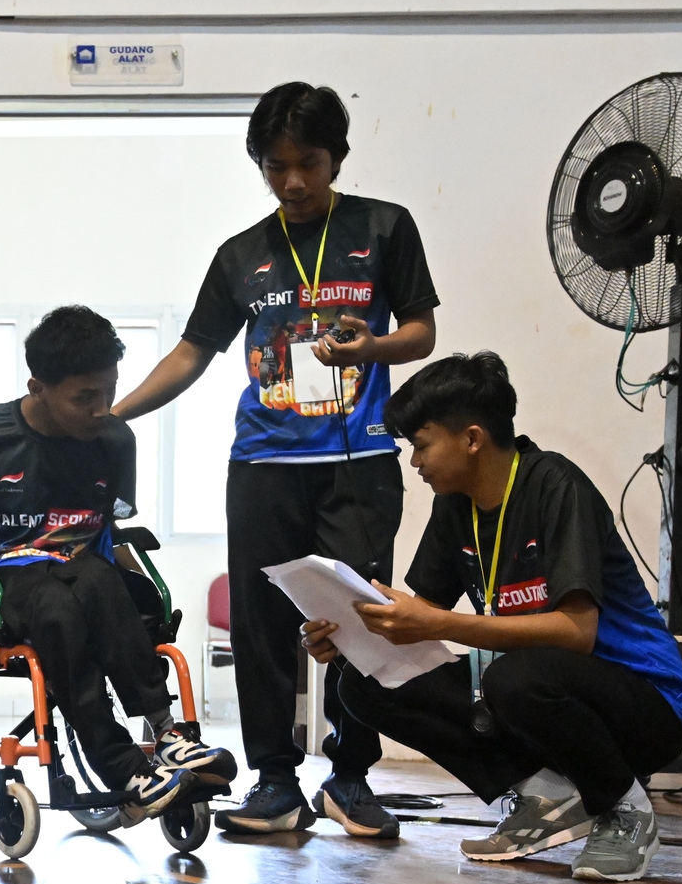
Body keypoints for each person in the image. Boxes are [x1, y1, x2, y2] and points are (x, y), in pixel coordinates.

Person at [112, 82, 439, 840]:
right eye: (275, 166)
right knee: (261, 627)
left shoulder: (384, 228)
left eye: (309, 163)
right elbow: (193, 351)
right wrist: (115, 411)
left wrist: (373, 346)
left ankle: (350, 776)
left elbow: (419, 332)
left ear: (337, 158)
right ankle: (275, 783)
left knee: (362, 620)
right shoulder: (241, 256)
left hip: (357, 460)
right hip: (262, 463)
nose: (293, 181)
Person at [301, 353, 682, 883]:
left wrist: (437, 624)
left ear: (471, 438)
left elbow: (575, 634)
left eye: (420, 445)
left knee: (514, 677)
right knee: (366, 685)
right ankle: (546, 797)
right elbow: (421, 623)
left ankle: (625, 811)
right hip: (536, 693)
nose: (413, 462)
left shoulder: (555, 484)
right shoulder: (454, 505)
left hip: (647, 705)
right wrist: (351, 637)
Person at [0, 305, 233, 823]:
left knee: (96, 578)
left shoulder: (115, 440)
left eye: (110, 390)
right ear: (37, 387)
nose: (103, 408)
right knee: (56, 602)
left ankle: (169, 733)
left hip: (74, 572)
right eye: (85, 397)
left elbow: (109, 536)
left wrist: (134, 602)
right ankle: (123, 770)